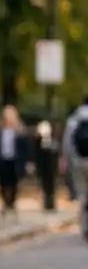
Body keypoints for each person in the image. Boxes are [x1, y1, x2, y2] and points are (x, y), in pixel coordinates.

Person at [0, 104, 30, 217]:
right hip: (2, 159)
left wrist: (28, 161)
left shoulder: (19, 132)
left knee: (14, 182)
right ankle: (5, 202)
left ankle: (11, 202)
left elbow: (25, 148)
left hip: (15, 160)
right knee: (3, 182)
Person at [61, 96, 88, 236]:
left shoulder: (74, 119)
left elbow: (67, 142)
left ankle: (85, 225)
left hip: (78, 161)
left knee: (83, 194)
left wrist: (65, 160)